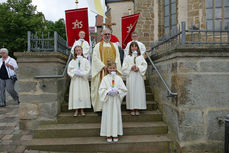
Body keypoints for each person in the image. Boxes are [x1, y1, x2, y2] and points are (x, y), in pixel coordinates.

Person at [91, 28, 122, 112]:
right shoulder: (97, 46)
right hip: (102, 71)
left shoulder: (114, 46)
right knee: (102, 88)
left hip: (113, 72)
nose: (107, 36)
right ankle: (101, 108)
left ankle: (113, 107)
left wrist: (114, 68)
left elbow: (117, 58)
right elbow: (95, 58)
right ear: (102, 35)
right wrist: (102, 66)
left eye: (109, 34)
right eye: (105, 34)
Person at [99, 62, 127, 142]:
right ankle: (108, 134)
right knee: (108, 116)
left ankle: (115, 134)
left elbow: (124, 89)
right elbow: (101, 90)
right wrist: (107, 91)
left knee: (115, 116)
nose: (112, 70)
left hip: (115, 101)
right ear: (107, 69)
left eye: (113, 68)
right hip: (108, 101)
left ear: (116, 68)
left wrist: (117, 91)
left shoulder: (119, 78)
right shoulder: (105, 79)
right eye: (110, 68)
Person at [122, 42, 148, 116]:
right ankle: (132, 108)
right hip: (131, 76)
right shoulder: (127, 57)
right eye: (132, 47)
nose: (134, 48)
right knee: (131, 91)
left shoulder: (141, 57)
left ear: (137, 48)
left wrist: (139, 68)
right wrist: (130, 67)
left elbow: (145, 65)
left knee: (138, 92)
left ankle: (138, 108)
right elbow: (123, 67)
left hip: (138, 76)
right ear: (130, 48)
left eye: (135, 47)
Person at [67, 45, 91, 116]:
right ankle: (76, 110)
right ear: (74, 52)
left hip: (83, 79)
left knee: (83, 94)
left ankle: (82, 109)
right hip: (76, 80)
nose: (78, 52)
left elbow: (88, 69)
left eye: (79, 50)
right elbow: (69, 70)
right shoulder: (72, 61)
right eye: (76, 50)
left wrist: (82, 73)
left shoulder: (85, 60)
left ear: (82, 51)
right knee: (76, 94)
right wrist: (75, 72)